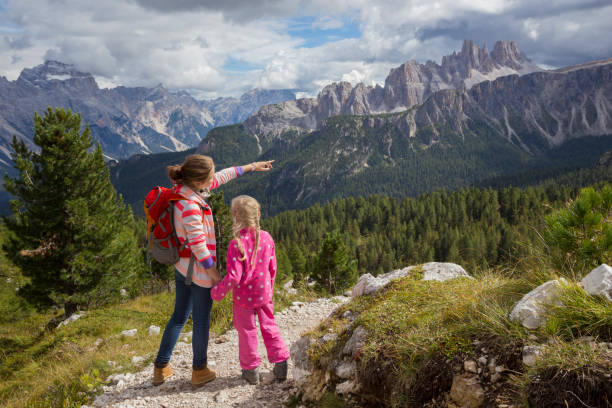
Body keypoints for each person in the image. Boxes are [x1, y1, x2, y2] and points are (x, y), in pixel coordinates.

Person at [153, 155, 274, 387]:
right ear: (199, 181)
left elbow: (224, 175)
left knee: (179, 317)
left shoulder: (184, 190)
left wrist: (252, 166)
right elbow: (199, 246)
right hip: (198, 272)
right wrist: (217, 277)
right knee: (200, 321)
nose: (213, 180)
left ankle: (161, 367)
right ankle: (199, 370)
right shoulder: (189, 206)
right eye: (209, 177)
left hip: (182, 267)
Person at [210, 195, 290, 385]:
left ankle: (251, 370)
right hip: (264, 294)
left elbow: (234, 277)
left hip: (243, 299)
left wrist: (217, 292)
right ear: (258, 214)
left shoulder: (236, 244)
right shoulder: (267, 237)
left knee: (246, 332)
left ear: (235, 218)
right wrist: (269, 287)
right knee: (269, 326)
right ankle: (281, 365)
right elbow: (273, 267)